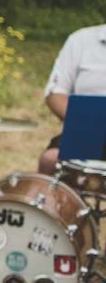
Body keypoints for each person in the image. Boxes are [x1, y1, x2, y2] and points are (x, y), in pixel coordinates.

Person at [38, 22, 106, 174]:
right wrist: (83, 121)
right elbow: (56, 93)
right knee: (51, 160)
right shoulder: (81, 40)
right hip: (87, 131)